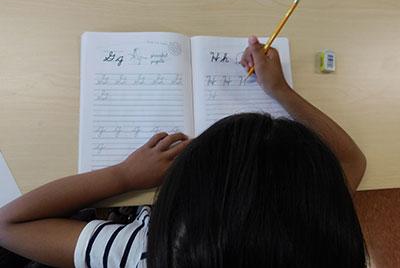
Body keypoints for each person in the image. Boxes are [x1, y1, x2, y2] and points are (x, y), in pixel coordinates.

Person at [0, 36, 367, 267]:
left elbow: (8, 225)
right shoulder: (320, 224)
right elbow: (352, 159)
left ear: (179, 197)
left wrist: (124, 176)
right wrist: (281, 91)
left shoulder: (145, 251)